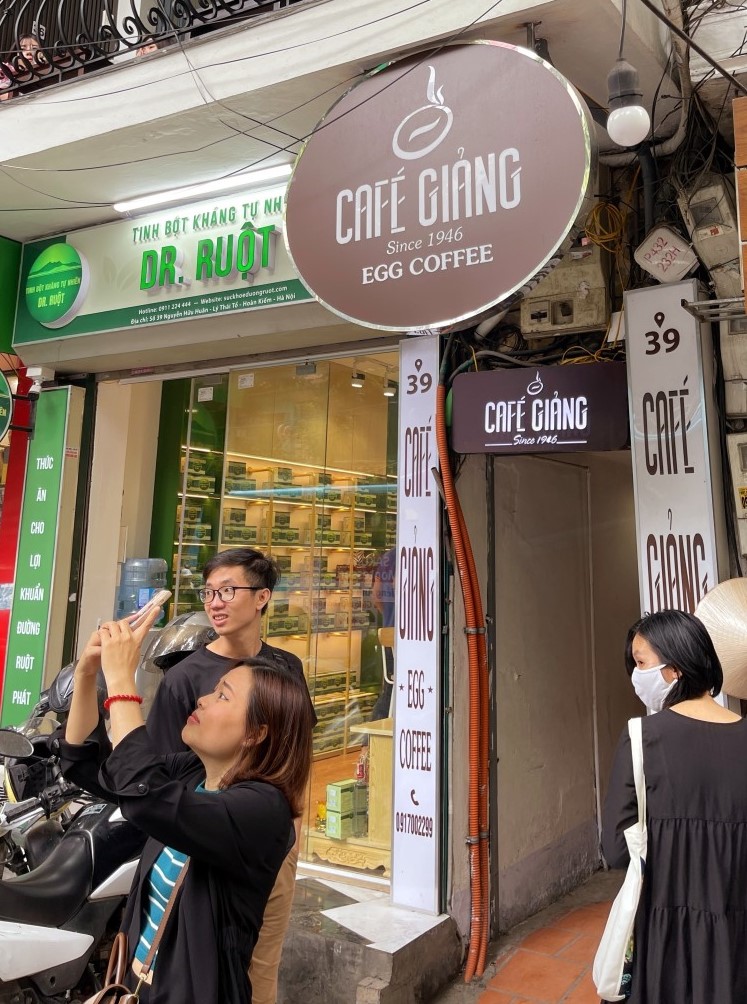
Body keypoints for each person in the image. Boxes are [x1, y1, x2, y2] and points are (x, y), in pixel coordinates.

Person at [57, 605, 314, 1003]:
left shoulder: (264, 810)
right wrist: (88, 674)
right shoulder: (193, 773)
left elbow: (147, 795)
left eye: (222, 695)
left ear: (256, 733)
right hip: (137, 987)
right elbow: (92, 766)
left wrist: (124, 682)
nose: (203, 699)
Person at [146, 547, 315, 1004]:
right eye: (208, 593)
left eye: (227, 591)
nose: (215, 603)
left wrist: (294, 830)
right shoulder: (184, 678)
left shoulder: (286, 669)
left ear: (262, 597)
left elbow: (297, 751)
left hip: (270, 845)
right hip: (202, 852)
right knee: (209, 974)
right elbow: (157, 775)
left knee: (261, 970)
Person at [601, 609, 747, 1003]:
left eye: (640, 663)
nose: (635, 675)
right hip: (736, 937)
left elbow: (615, 850)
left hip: (662, 933)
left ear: (674, 670)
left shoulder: (640, 737)